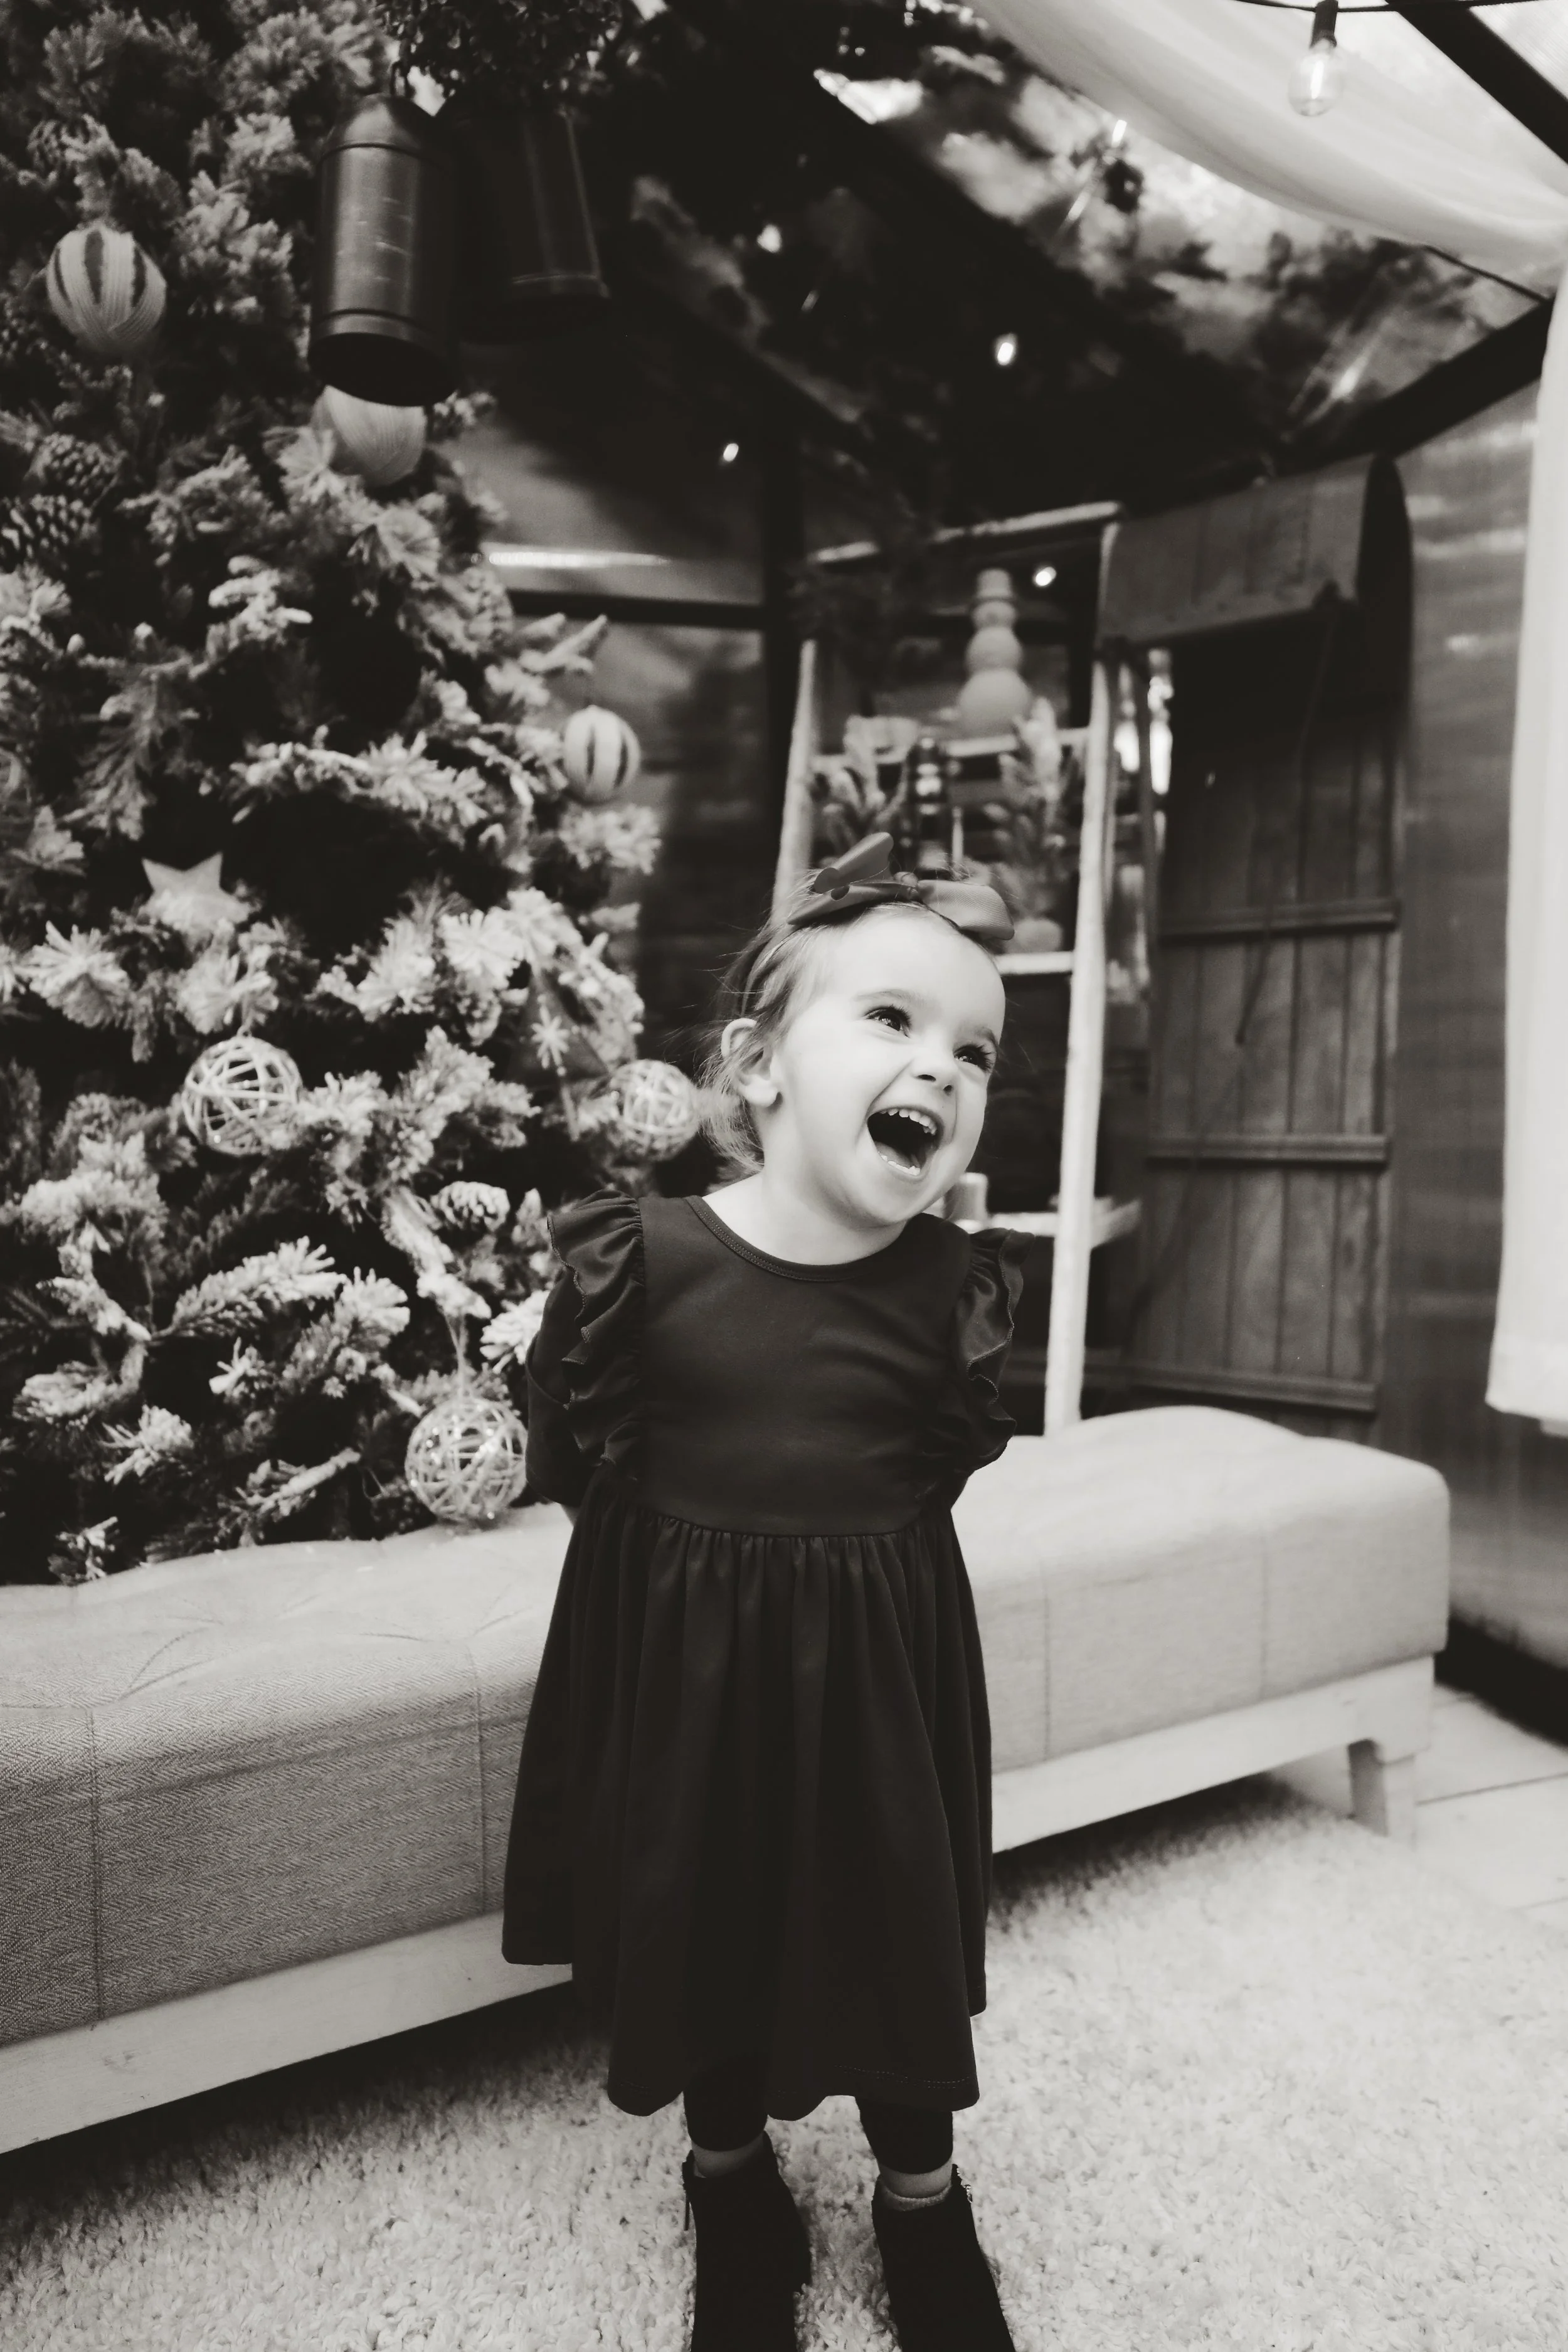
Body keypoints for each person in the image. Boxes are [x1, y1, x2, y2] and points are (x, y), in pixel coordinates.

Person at [501, 832, 1032, 2352]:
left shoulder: (951, 1301)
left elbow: (924, 1484)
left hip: (875, 1701)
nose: (937, 1064)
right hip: (687, 1695)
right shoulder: (636, 1267)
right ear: (755, 1066)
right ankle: (729, 2183)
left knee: (896, 1934)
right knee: (708, 1927)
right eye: (889, 1020)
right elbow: (583, 1476)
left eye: (972, 1049)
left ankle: (922, 2201)